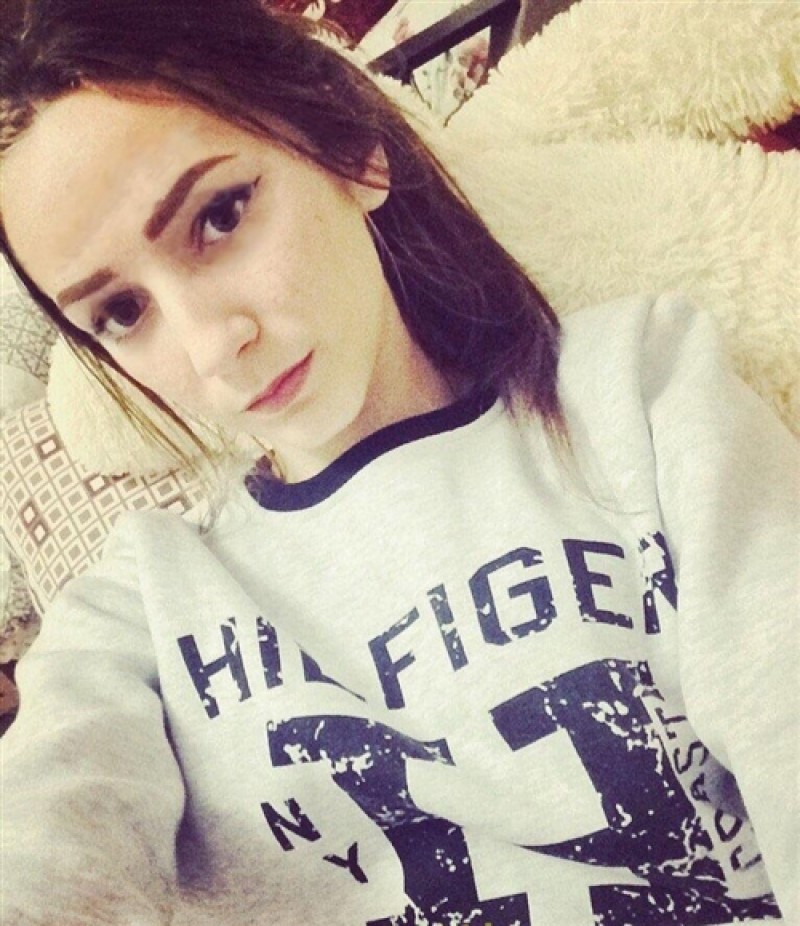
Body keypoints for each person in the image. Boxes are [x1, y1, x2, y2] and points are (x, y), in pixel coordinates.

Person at [0, 1, 796, 924]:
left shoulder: (637, 391)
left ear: (350, 149)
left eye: (220, 215)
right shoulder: (139, 602)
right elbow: (46, 839)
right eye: (121, 314)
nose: (213, 347)